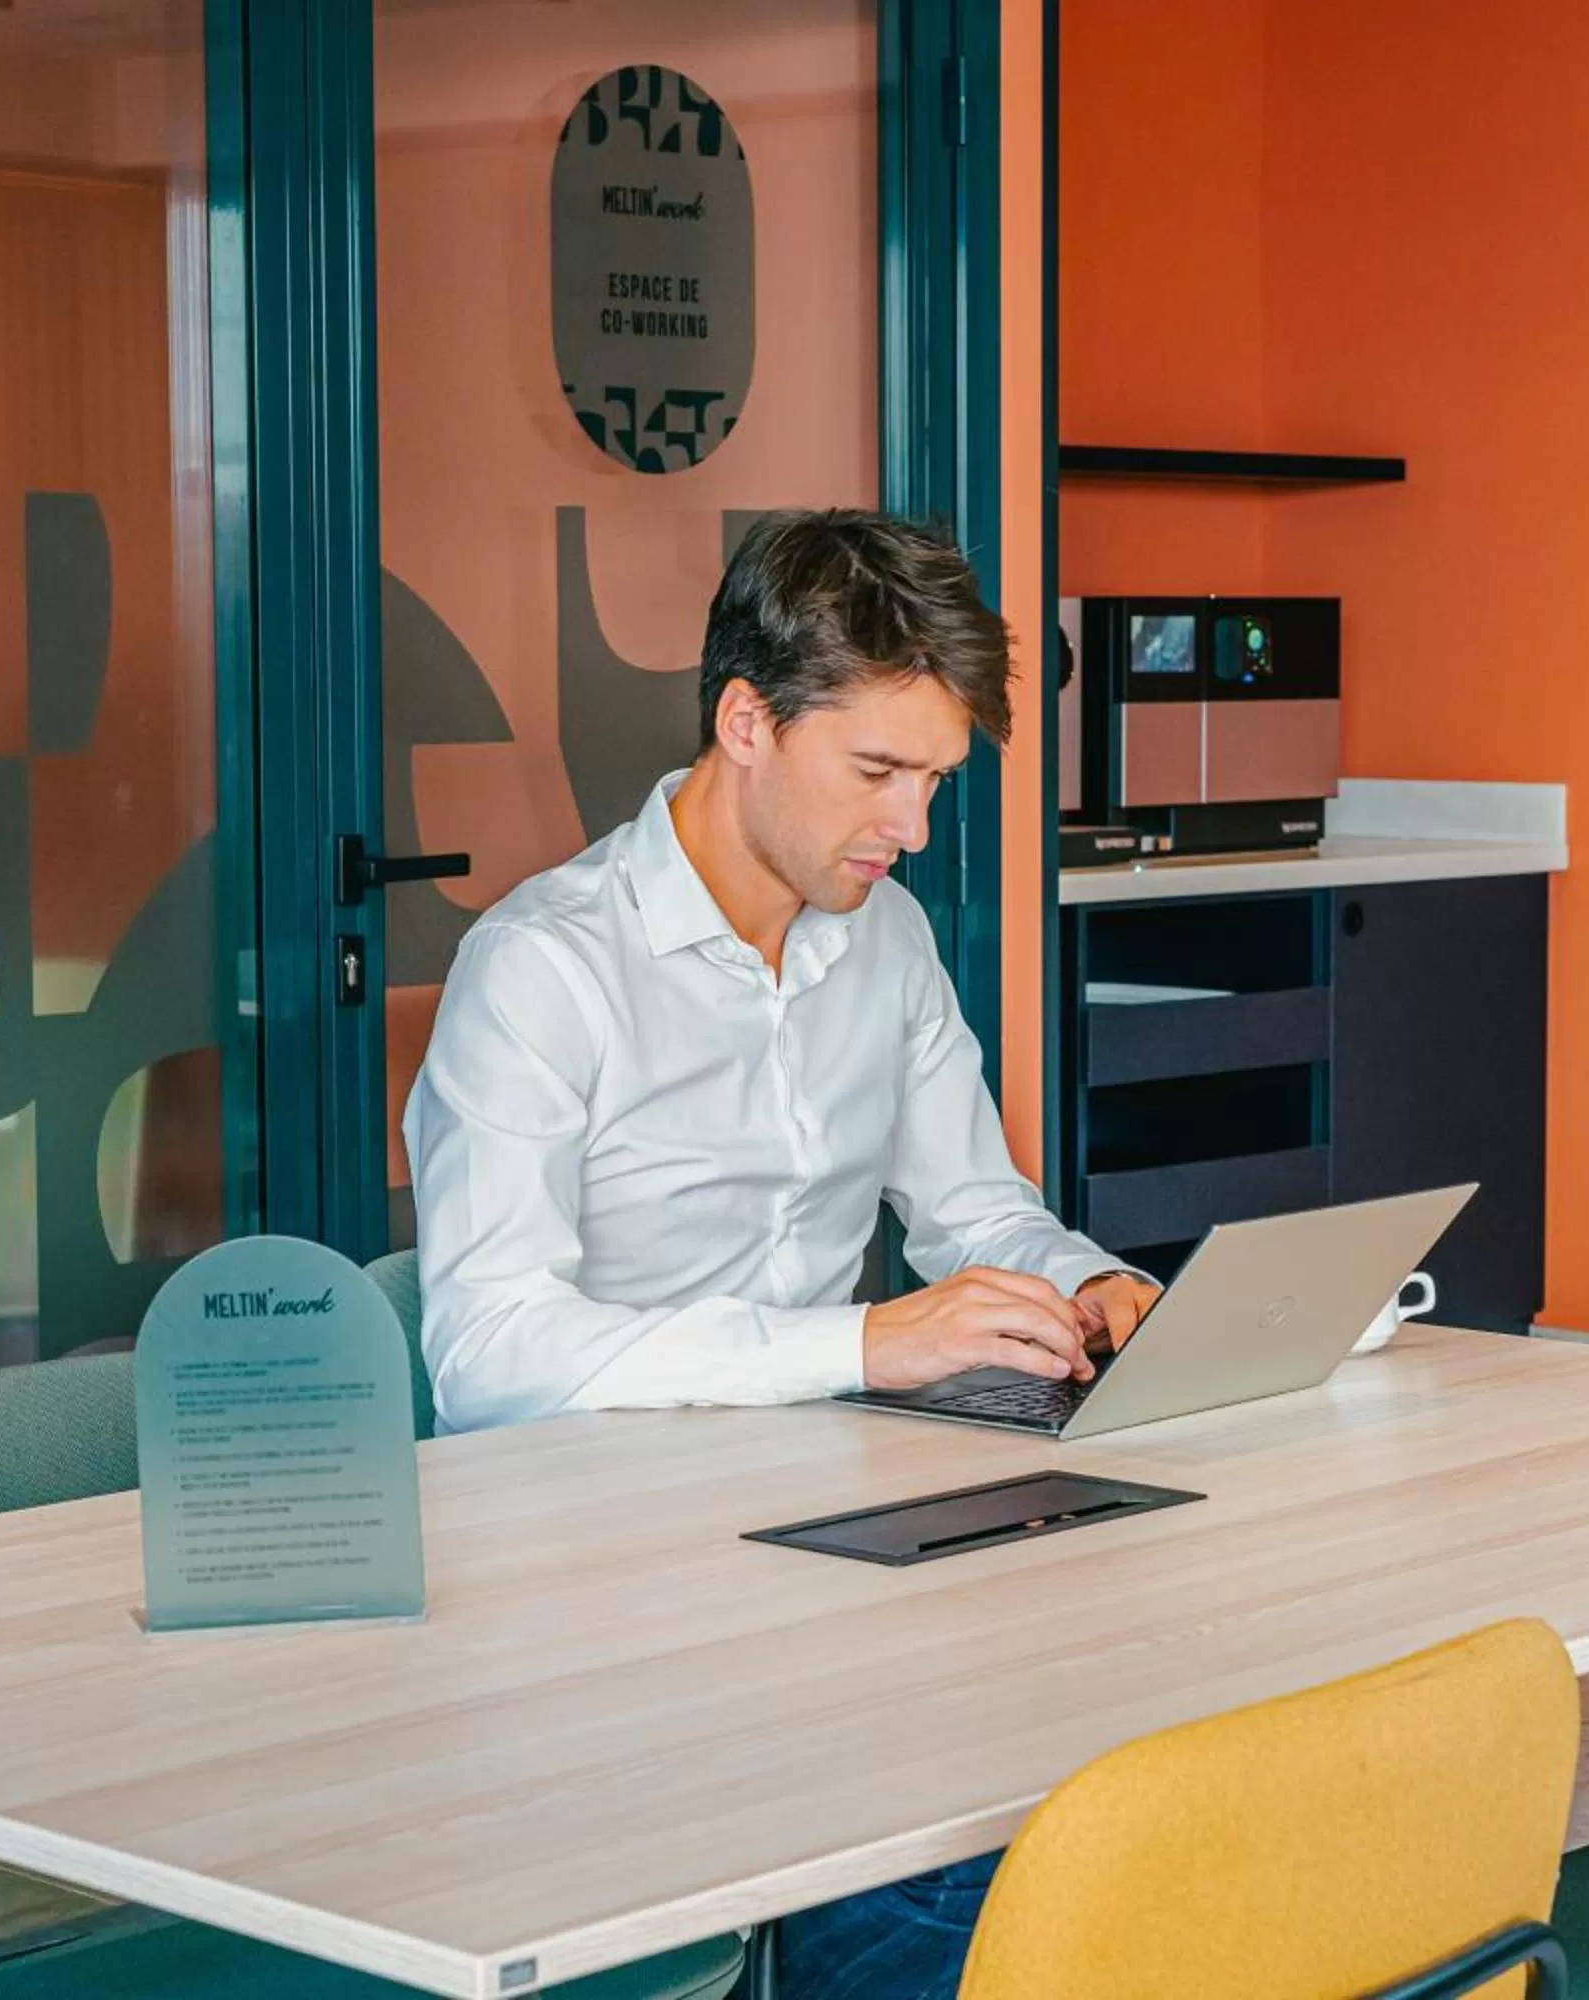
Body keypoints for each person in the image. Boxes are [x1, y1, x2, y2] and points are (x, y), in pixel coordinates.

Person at [405, 508, 1161, 1999]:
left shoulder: (883, 937)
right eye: (877, 773)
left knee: (1130, 1741)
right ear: (745, 723)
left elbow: (973, 1206)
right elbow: (487, 1355)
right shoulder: (544, 968)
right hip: (596, 1577)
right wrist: (864, 1342)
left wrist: (1081, 1280)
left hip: (828, 1527)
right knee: (986, 1871)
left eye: (934, 780)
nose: (913, 828)